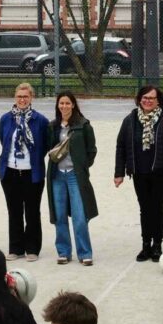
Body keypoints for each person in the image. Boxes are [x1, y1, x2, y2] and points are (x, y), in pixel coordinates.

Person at [114, 86, 163, 263]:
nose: (148, 101)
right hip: (138, 171)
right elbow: (121, 146)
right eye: (145, 97)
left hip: (159, 171)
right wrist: (119, 172)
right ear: (139, 99)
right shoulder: (130, 120)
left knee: (157, 207)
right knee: (145, 208)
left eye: (152, 98)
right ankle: (146, 244)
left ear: (158, 100)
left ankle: (157, 244)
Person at [0, 83, 49, 262]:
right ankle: (16, 247)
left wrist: (33, 160)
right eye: (19, 96)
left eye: (26, 96)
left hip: (32, 173)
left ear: (31, 98)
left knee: (32, 211)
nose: (22, 100)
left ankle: (32, 248)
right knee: (14, 211)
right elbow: (3, 141)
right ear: (14, 98)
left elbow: (45, 144)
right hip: (10, 172)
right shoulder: (6, 119)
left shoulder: (40, 120)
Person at [47, 91, 99, 266]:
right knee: (59, 215)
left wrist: (82, 166)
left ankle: (85, 252)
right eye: (61, 103)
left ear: (74, 105)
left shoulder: (83, 126)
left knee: (79, 216)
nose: (64, 106)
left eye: (67, 103)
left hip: (75, 176)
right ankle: (63, 252)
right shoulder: (53, 126)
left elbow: (92, 150)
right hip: (57, 176)